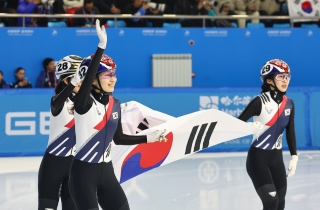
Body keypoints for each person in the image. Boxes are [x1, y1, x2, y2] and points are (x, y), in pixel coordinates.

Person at [68, 19, 167, 210]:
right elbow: (86, 81)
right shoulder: (83, 103)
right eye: (107, 75)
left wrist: (149, 137)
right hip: (83, 175)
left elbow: (119, 138)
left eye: (114, 74)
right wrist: (101, 47)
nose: (113, 79)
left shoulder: (115, 104)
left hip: (107, 172)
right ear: (94, 79)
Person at [238, 59, 298, 210]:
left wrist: (294, 156)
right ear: (269, 80)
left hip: (277, 158)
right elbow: (237, 125)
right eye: (280, 77)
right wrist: (250, 126)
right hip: (258, 159)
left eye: (287, 76)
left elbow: (290, 132)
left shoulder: (289, 103)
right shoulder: (260, 102)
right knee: (271, 202)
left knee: (280, 203)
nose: (285, 80)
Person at [38, 55, 84, 210]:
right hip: (53, 166)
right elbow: (57, 101)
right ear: (66, 81)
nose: (84, 81)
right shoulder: (58, 102)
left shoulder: (88, 104)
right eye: (79, 78)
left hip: (75, 167)